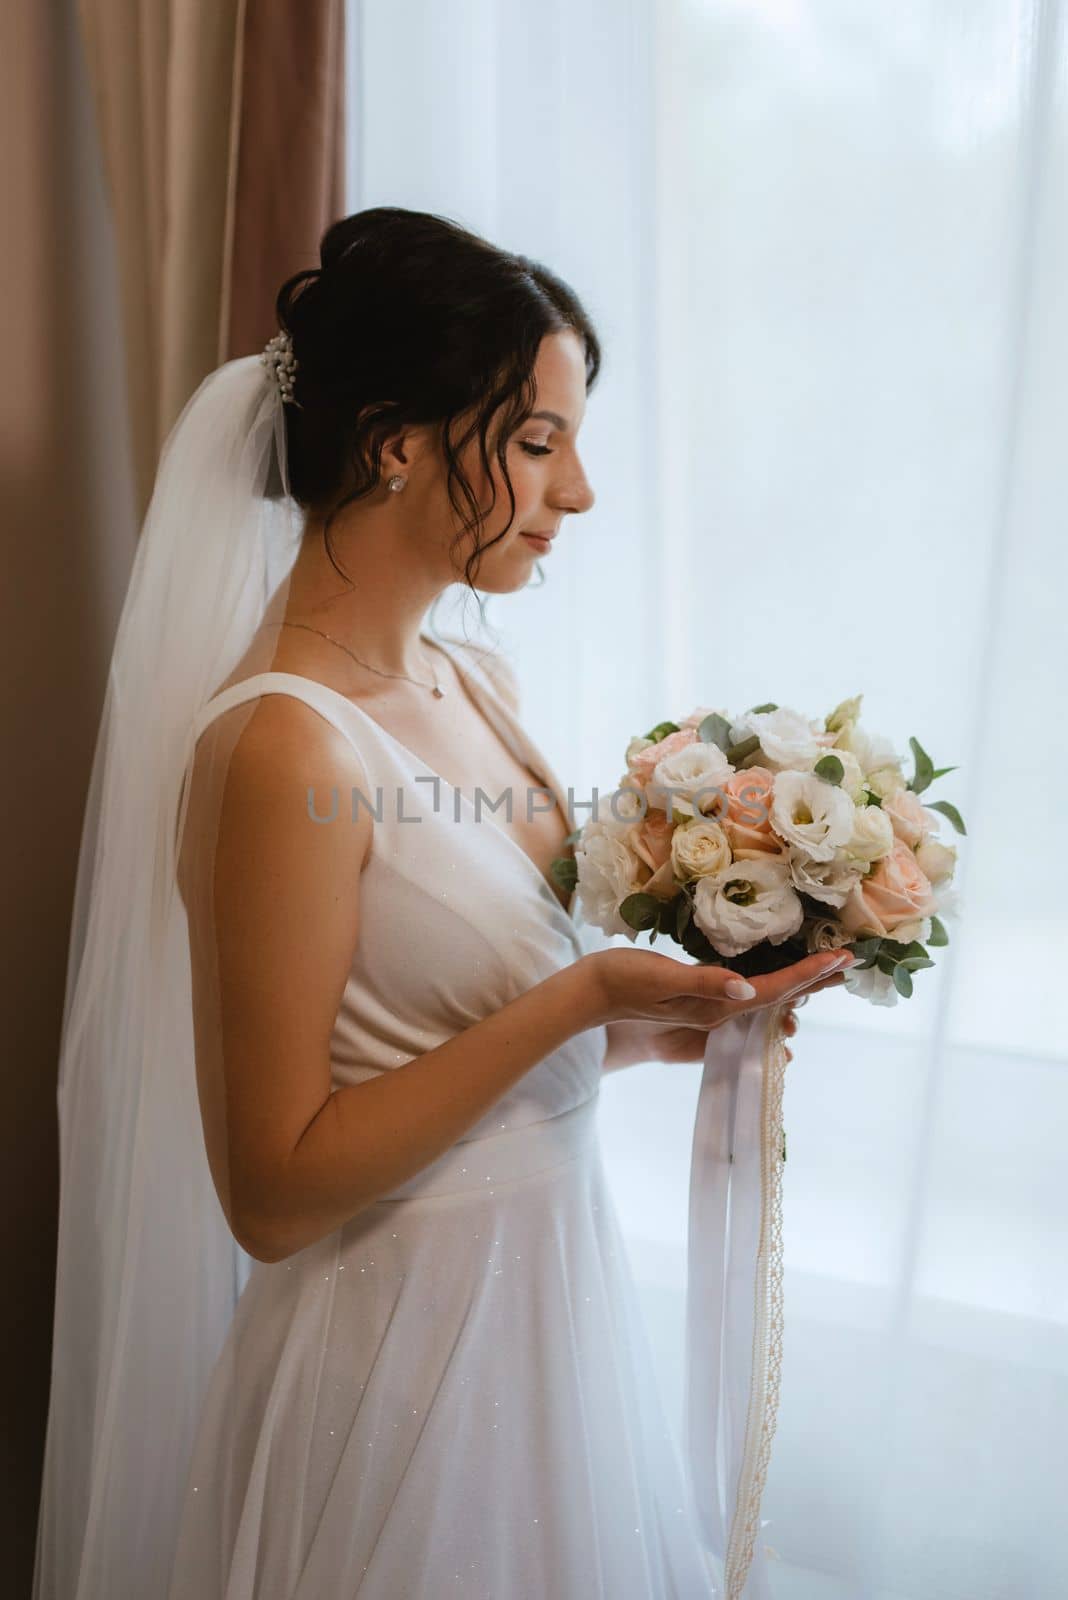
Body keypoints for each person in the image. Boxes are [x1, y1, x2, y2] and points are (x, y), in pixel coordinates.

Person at [33, 206, 851, 1600]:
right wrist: (584, 994)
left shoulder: (475, 682)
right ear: (396, 443)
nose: (578, 491)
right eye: (537, 443)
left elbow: (463, 1048)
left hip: (550, 1316)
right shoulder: (281, 747)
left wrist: (694, 1020)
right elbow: (275, 1192)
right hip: (400, 1365)